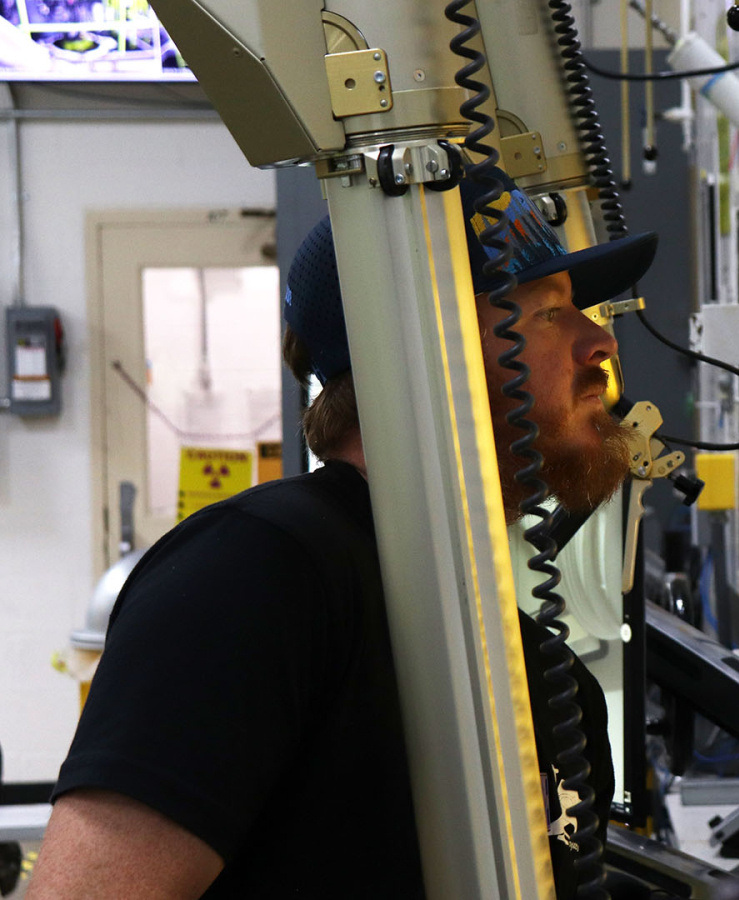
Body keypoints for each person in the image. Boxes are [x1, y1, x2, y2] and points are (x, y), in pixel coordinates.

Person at [28, 168, 658, 899]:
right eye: (547, 314)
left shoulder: (538, 671)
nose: (600, 344)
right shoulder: (257, 573)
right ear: (420, 345)